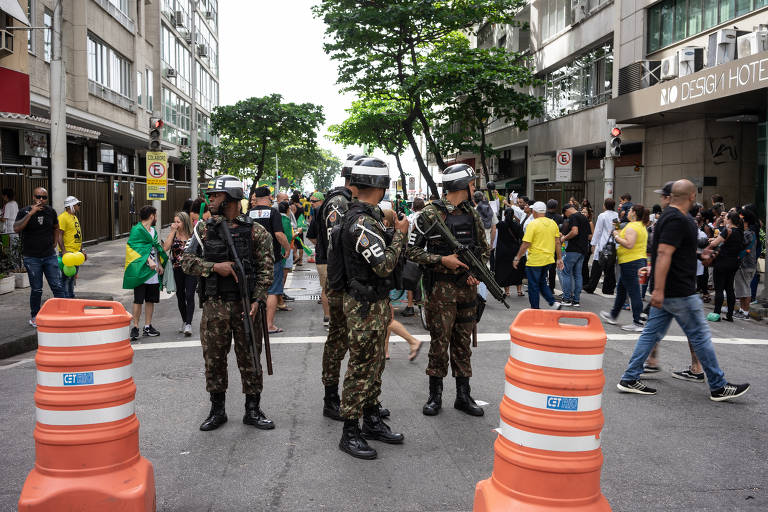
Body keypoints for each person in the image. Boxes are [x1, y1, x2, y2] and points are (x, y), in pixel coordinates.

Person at [616, 179, 750, 401]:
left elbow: (674, 253)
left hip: (670, 290)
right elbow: (665, 253)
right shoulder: (677, 219)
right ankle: (718, 385)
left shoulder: (671, 218)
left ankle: (629, 378)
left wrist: (700, 255)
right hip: (678, 291)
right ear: (691, 197)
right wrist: (658, 290)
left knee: (650, 334)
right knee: (700, 336)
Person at [181, 175, 275, 432]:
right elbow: (186, 262)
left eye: (216, 196)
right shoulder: (203, 229)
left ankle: (253, 409)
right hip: (215, 305)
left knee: (251, 358)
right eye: (210, 195)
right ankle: (217, 409)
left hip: (246, 307)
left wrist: (258, 299)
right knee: (214, 359)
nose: (210, 199)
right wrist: (214, 267)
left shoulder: (256, 231)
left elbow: (267, 271)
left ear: (232, 199)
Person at [336, 157, 408, 460]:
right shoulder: (362, 222)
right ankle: (350, 431)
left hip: (373, 303)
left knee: (375, 365)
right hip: (365, 305)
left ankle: (371, 418)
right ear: (381, 185)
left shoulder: (366, 215)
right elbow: (383, 264)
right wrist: (401, 234)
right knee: (362, 367)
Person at [408, 164, 491, 419]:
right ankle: (435, 395)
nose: (474, 188)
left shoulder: (472, 214)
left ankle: (463, 395)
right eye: (471, 183)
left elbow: (483, 248)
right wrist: (441, 260)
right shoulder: (429, 215)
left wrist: (475, 273)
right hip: (440, 290)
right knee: (439, 343)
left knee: (462, 343)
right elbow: (411, 251)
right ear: (460, 186)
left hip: (465, 289)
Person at [13, 187, 66, 327]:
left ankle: (64, 314)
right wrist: (31, 213)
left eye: (44, 197)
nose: (41, 200)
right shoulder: (24, 211)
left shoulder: (50, 211)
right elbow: (16, 228)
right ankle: (35, 316)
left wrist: (55, 242)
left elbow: (56, 227)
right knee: (37, 289)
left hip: (49, 255)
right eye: (38, 197)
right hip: (32, 257)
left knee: (57, 286)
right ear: (33, 197)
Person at [600, 204, 650, 332]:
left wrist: (616, 237)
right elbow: (625, 235)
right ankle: (613, 315)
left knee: (634, 292)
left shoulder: (633, 226)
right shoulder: (640, 225)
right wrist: (616, 230)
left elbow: (629, 243)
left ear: (634, 213)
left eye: (629, 210)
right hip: (635, 261)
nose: (627, 212)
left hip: (631, 262)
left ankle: (637, 322)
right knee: (622, 290)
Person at [248, 187, 291, 334]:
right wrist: (287, 248)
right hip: (272, 258)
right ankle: (269, 325)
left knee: (254, 290)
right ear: (268, 197)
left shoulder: (248, 214)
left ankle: (253, 324)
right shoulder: (273, 213)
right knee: (273, 290)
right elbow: (279, 234)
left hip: (253, 258)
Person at [123, 205, 166, 341]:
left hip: (153, 272)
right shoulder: (137, 230)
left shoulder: (153, 231)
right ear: (152, 216)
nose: (157, 218)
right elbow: (134, 248)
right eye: (156, 215)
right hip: (141, 270)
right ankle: (135, 326)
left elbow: (155, 248)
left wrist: (159, 264)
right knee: (138, 299)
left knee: (150, 300)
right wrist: (148, 260)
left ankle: (147, 326)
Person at [513, 201, 563, 310]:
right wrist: (559, 258)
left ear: (534, 212)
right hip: (548, 259)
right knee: (542, 283)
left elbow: (526, 243)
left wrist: (517, 257)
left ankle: (535, 309)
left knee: (533, 286)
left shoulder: (533, 224)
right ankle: (553, 303)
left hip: (535, 260)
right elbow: (558, 242)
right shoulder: (552, 223)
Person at [705, 211, 744, 322]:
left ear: (730, 220)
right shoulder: (740, 232)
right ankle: (729, 315)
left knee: (719, 289)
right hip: (733, 263)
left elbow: (714, 244)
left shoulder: (727, 230)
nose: (724, 219)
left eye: (726, 218)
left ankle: (716, 314)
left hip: (722, 262)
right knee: (730, 288)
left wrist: (711, 241)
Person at [163, 211, 196, 336]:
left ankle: (188, 324)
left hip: (191, 269)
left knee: (189, 295)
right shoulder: (174, 234)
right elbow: (165, 248)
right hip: (177, 269)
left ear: (184, 222)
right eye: (174, 221)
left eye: (178, 221)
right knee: (180, 296)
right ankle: (184, 320)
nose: (176, 224)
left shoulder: (193, 234)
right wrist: (172, 231)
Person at [584, 198, 619, 295]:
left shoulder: (602, 216)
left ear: (605, 205)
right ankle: (609, 288)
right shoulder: (616, 215)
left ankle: (591, 286)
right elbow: (617, 229)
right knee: (610, 267)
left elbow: (598, 231)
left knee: (597, 265)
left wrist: (593, 244)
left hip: (602, 243)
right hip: (612, 243)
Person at [560, 204, 590, 307]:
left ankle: (567, 298)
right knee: (578, 274)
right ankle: (576, 300)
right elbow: (589, 235)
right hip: (583, 249)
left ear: (567, 210)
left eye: (566, 214)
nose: (567, 217)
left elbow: (574, 232)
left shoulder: (573, 216)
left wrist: (564, 238)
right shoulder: (584, 217)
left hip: (573, 249)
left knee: (566, 272)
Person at [306, 191, 329, 324]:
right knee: (328, 289)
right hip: (325, 258)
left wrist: (319, 244)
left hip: (324, 257)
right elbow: (310, 235)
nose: (312, 204)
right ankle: (327, 316)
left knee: (327, 289)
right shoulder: (319, 216)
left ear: (322, 201)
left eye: (314, 201)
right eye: (311, 201)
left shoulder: (318, 216)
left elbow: (311, 236)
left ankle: (328, 316)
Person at [401, 197, 425, 317]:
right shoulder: (428, 217)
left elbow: (405, 236)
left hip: (413, 251)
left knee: (410, 278)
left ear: (413, 207)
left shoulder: (410, 218)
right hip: (427, 252)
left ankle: (410, 305)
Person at [57, 196, 84, 298]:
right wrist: (63, 251)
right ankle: (65, 299)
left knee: (72, 277)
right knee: (66, 277)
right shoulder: (63, 217)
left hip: (76, 253)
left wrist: (82, 250)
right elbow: (59, 234)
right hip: (68, 252)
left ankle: (71, 296)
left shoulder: (74, 217)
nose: (79, 206)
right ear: (71, 206)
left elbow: (77, 234)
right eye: (78, 204)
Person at [494, 208, 525, 297]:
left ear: (504, 215)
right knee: (517, 270)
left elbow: (494, 222)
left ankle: (507, 292)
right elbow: (522, 237)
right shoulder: (517, 225)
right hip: (515, 250)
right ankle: (519, 291)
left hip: (503, 251)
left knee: (505, 270)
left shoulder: (500, 224)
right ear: (513, 215)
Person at [735, 209, 758, 319]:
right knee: (742, 288)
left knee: (745, 288)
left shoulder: (748, 233)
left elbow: (739, 243)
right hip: (746, 265)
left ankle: (745, 312)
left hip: (746, 265)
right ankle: (741, 310)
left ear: (745, 221)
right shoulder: (749, 233)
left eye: (740, 218)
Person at [545, 199, 563, 294]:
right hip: (554, 244)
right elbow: (561, 230)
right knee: (552, 268)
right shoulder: (559, 217)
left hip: (543, 243)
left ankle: (542, 285)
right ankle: (551, 287)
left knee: (542, 266)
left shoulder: (543, 216)